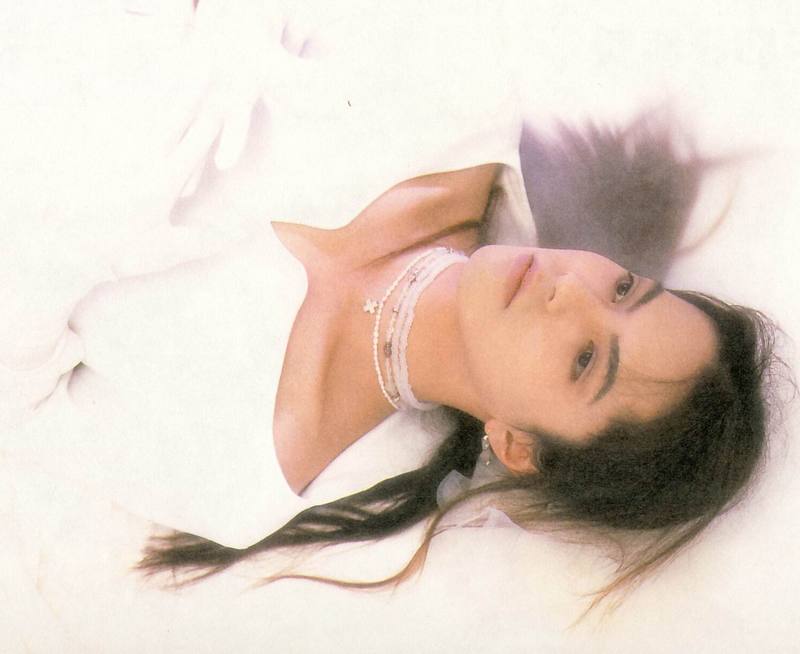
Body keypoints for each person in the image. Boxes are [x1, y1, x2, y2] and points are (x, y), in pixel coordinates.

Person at [0, 1, 778, 619]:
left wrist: (79, 229)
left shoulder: (243, 467)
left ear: (517, 446)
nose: (570, 290)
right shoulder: (454, 87)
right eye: (624, 289)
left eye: (585, 359)